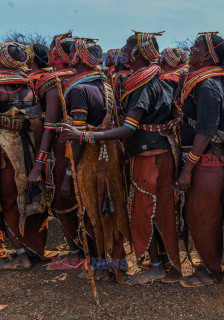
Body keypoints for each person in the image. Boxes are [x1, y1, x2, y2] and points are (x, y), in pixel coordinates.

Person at [57, 37, 130, 282]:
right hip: (110, 153)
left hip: (89, 157)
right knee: (113, 208)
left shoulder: (78, 89)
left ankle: (100, 265)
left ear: (76, 58)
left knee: (92, 212)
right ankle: (119, 264)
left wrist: (70, 173)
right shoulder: (105, 84)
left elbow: (77, 136)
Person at [177, 32, 224, 287]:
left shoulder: (207, 85)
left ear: (208, 54)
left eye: (196, 46)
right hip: (207, 160)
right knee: (201, 215)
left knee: (202, 216)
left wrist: (187, 170)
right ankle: (211, 265)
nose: (191, 49)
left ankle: (212, 270)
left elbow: (205, 130)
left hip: (209, 161)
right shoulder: (208, 81)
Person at [27, 33, 80, 266]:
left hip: (62, 149)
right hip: (88, 145)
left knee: (62, 201)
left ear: (58, 54)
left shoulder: (53, 81)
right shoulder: (83, 77)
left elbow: (49, 127)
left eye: (51, 50)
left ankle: (77, 252)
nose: (48, 54)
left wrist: (38, 164)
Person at [0, 41, 48, 270]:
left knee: (9, 202)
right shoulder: (29, 84)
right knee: (32, 198)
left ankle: (20, 255)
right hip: (28, 146)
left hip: (5, 148)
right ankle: (34, 248)